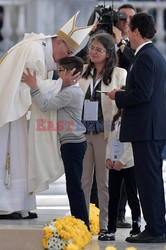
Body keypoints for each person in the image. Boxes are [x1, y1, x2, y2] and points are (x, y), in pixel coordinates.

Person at [0, 12, 93, 219]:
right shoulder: (33, 51)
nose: (64, 57)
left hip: (16, 112)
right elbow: (29, 87)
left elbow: (33, 88)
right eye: (67, 50)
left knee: (20, 155)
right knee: (8, 155)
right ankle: (1, 206)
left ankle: (18, 205)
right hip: (7, 112)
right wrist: (63, 83)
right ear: (58, 41)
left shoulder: (38, 47)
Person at [107, 13, 166, 243]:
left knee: (148, 181)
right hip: (151, 128)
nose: (126, 33)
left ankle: (155, 230)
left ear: (138, 32)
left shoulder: (145, 57)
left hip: (146, 129)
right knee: (152, 180)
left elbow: (142, 94)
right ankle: (157, 226)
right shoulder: (152, 55)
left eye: (129, 29)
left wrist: (118, 96)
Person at [21, 56, 89, 228]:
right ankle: (80, 222)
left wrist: (33, 85)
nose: (58, 75)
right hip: (72, 142)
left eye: (61, 71)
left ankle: (82, 224)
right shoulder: (69, 90)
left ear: (72, 72)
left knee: (74, 186)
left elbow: (44, 105)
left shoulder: (70, 92)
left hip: (73, 143)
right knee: (73, 185)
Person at [79, 32, 127, 237]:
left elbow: (123, 102)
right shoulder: (81, 72)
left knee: (103, 182)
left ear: (108, 53)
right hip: (82, 132)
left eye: (98, 49)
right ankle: (82, 221)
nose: (93, 52)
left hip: (104, 133)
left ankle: (104, 224)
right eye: (92, 48)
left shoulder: (119, 73)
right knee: (83, 181)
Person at [98, 105, 141, 241]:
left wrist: (122, 162)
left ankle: (136, 229)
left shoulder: (135, 120)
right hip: (114, 164)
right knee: (113, 198)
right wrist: (108, 158)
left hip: (129, 164)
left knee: (132, 197)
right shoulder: (115, 120)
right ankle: (110, 230)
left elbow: (133, 145)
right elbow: (110, 141)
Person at [113, 3, 136, 229]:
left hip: (126, 111)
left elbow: (132, 65)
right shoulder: (104, 39)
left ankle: (120, 212)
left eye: (130, 17)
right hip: (104, 112)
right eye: (122, 16)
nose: (126, 21)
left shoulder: (136, 45)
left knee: (125, 163)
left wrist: (120, 43)